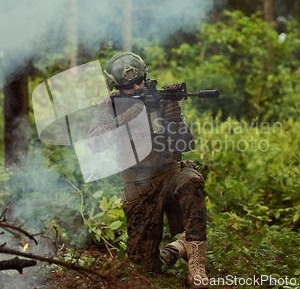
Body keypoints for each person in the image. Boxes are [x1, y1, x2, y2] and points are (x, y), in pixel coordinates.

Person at [87, 52, 209, 288]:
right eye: (128, 85)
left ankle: (197, 266)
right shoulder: (109, 104)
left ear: (145, 76)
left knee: (191, 180)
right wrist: (125, 118)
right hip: (138, 188)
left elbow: (187, 145)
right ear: (116, 86)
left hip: (170, 175)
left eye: (139, 80)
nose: (136, 87)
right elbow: (94, 143)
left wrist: (176, 120)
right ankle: (177, 248)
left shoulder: (161, 99)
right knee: (145, 269)